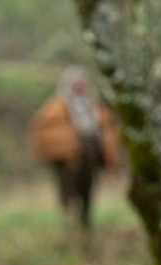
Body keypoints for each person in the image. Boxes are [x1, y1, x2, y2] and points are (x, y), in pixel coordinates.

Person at [30, 66, 120, 230]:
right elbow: (47, 130)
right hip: (67, 160)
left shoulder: (92, 106)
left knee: (87, 190)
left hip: (89, 156)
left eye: (83, 83)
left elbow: (105, 127)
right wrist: (70, 139)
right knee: (68, 192)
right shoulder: (56, 107)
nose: (82, 87)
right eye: (78, 84)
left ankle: (85, 223)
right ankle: (69, 223)